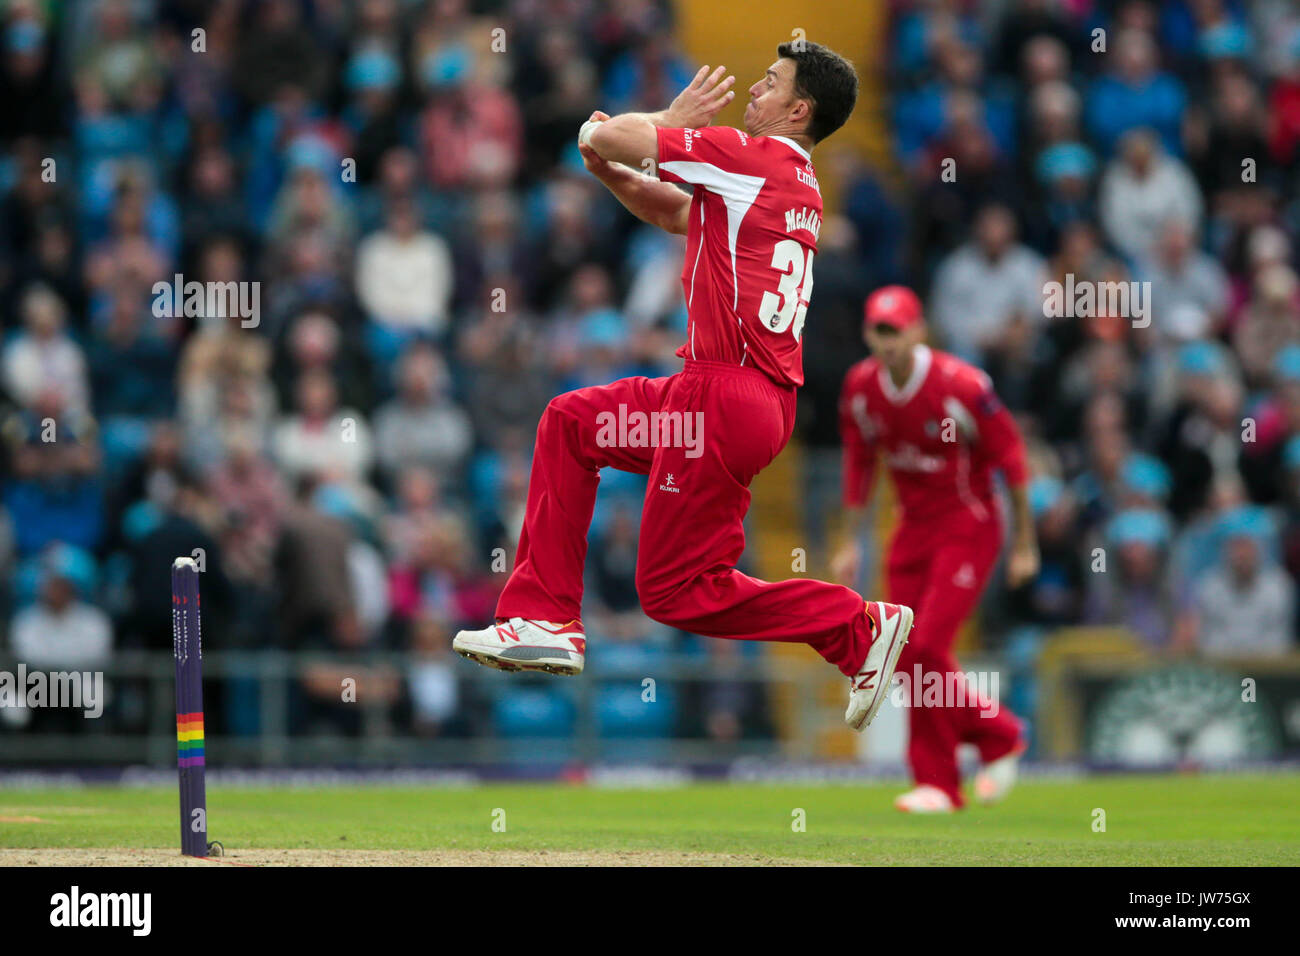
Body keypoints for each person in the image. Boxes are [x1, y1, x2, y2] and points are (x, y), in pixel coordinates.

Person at [453, 42, 913, 732]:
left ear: (799, 109)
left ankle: (853, 625)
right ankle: (541, 618)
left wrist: (659, 120)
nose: (753, 91)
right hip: (729, 402)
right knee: (574, 423)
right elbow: (675, 213)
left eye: (770, 83)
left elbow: (609, 131)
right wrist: (610, 175)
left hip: (718, 400)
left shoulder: (750, 158)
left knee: (673, 593)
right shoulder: (794, 182)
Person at [833, 286, 1039, 811]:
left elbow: (1012, 460)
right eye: (878, 331)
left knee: (924, 648)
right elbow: (860, 463)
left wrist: (1024, 546)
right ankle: (1000, 733)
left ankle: (940, 783)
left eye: (895, 330)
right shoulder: (861, 389)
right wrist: (849, 539)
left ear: (918, 331)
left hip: (968, 525)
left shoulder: (959, 386)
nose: (886, 343)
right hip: (911, 528)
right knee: (904, 651)